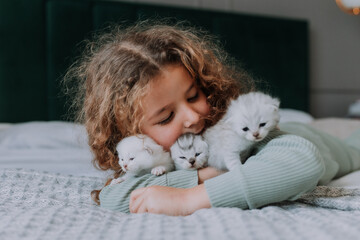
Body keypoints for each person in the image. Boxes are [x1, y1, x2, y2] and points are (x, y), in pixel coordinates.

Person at [65, 21, 360, 216]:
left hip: (329, 146)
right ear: (131, 133)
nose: (193, 116)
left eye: (194, 96)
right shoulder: (147, 159)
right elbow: (116, 197)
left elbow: (303, 161)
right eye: (167, 116)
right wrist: (206, 174)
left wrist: (188, 199)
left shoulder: (240, 130)